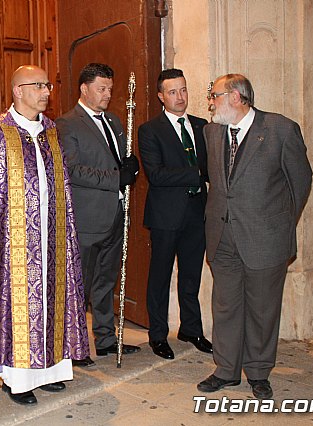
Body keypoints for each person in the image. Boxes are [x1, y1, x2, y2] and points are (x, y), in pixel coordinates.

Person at [0, 65, 89, 406]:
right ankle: (17, 379)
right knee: (18, 307)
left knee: (52, 298)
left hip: (53, 237)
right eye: (39, 85)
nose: (47, 91)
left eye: (48, 84)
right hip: (14, 243)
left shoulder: (51, 131)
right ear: (18, 90)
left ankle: (50, 371)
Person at [197, 74, 312, 399]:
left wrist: (281, 223)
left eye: (215, 95)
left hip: (266, 239)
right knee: (226, 306)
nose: (210, 101)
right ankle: (226, 370)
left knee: (263, 309)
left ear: (236, 96)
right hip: (222, 236)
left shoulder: (280, 129)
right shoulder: (212, 131)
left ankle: (259, 372)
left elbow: (300, 181)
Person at [56, 63, 140, 367]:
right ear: (84, 89)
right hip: (88, 218)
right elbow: (73, 170)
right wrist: (115, 177)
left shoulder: (115, 121)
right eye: (101, 89)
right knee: (81, 284)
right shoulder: (67, 124)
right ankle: (74, 345)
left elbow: (119, 161)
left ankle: (105, 340)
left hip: (115, 214)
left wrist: (130, 166)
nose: (107, 94)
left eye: (110, 89)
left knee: (106, 281)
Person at [137, 68, 212, 360]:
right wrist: (197, 173)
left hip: (198, 212)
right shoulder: (150, 130)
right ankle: (157, 335)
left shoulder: (202, 125)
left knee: (191, 275)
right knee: (160, 276)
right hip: (166, 216)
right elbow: (156, 175)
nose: (179, 97)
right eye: (172, 92)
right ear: (161, 96)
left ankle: (191, 328)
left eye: (183, 90)